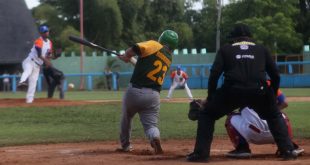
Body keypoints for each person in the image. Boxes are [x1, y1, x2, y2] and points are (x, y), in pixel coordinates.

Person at [186, 23, 298, 162]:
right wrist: (272, 94)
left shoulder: (225, 50)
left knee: (207, 114)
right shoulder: (261, 49)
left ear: (234, 39)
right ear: (250, 38)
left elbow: (214, 74)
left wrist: (211, 97)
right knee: (274, 115)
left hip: (232, 91)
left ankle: (201, 154)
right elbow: (275, 75)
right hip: (259, 91)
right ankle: (287, 150)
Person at [117, 30, 178, 154]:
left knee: (127, 118)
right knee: (151, 126)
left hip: (134, 91)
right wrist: (129, 59)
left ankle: (126, 146)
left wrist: (127, 55)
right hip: (153, 96)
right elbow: (144, 66)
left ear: (161, 39)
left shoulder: (154, 45)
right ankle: (154, 137)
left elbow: (134, 48)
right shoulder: (168, 58)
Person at [225, 86, 304, 158]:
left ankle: (242, 149)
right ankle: (288, 147)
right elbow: (285, 103)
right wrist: (273, 112)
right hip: (276, 132)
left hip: (253, 133)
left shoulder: (238, 85)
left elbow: (228, 109)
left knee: (231, 117)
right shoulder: (269, 83)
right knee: (282, 116)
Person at [17, 25, 52, 103]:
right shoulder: (38, 41)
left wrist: (54, 57)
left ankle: (29, 100)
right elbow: (39, 55)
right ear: (41, 33)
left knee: (33, 82)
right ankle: (22, 82)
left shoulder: (49, 43)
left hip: (37, 66)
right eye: (44, 32)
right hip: (30, 61)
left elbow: (48, 55)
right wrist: (47, 61)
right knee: (28, 71)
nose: (46, 33)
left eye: (47, 31)